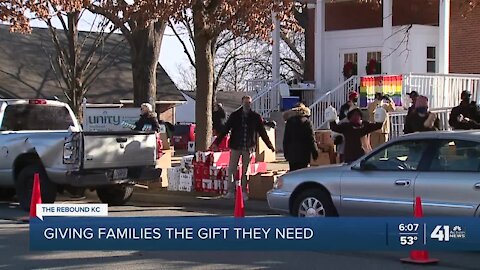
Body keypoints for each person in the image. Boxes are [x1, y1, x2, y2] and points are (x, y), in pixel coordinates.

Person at [213, 96, 275, 200]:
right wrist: (216, 143)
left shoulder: (255, 117)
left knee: (245, 171)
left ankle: (243, 191)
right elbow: (225, 130)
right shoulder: (235, 116)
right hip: (235, 146)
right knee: (232, 169)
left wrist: (270, 146)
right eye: (245, 103)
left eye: (249, 103)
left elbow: (262, 132)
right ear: (242, 103)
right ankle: (231, 191)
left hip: (248, 147)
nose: (247, 105)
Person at [283, 103, 319, 171]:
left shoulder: (289, 122)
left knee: (293, 173)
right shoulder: (307, 122)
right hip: (304, 154)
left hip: (292, 154)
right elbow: (311, 139)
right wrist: (315, 152)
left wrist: (286, 154)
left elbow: (286, 139)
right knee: (302, 174)